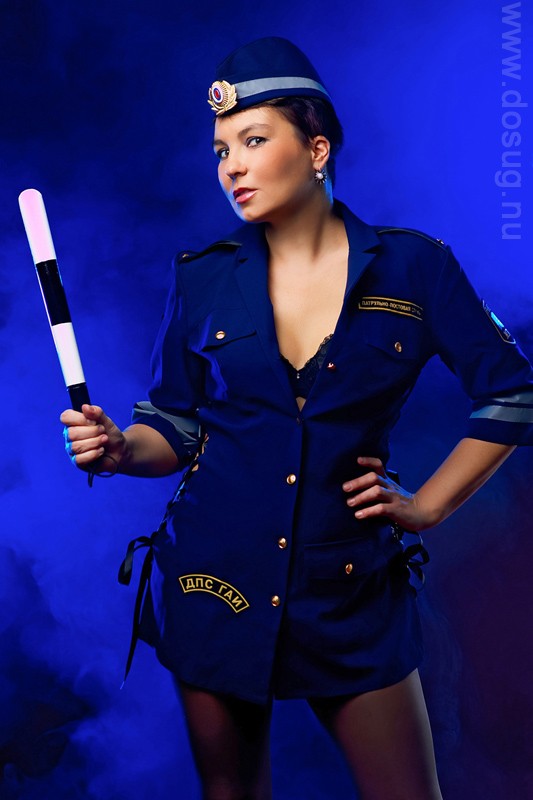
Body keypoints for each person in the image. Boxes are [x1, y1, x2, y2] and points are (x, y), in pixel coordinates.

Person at [60, 37, 533, 800]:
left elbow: (512, 392)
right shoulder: (203, 277)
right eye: (221, 151)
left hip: (351, 592)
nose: (231, 168)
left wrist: (427, 506)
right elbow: (175, 425)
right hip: (212, 583)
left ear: (316, 149)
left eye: (252, 141)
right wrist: (119, 449)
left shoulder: (415, 268)